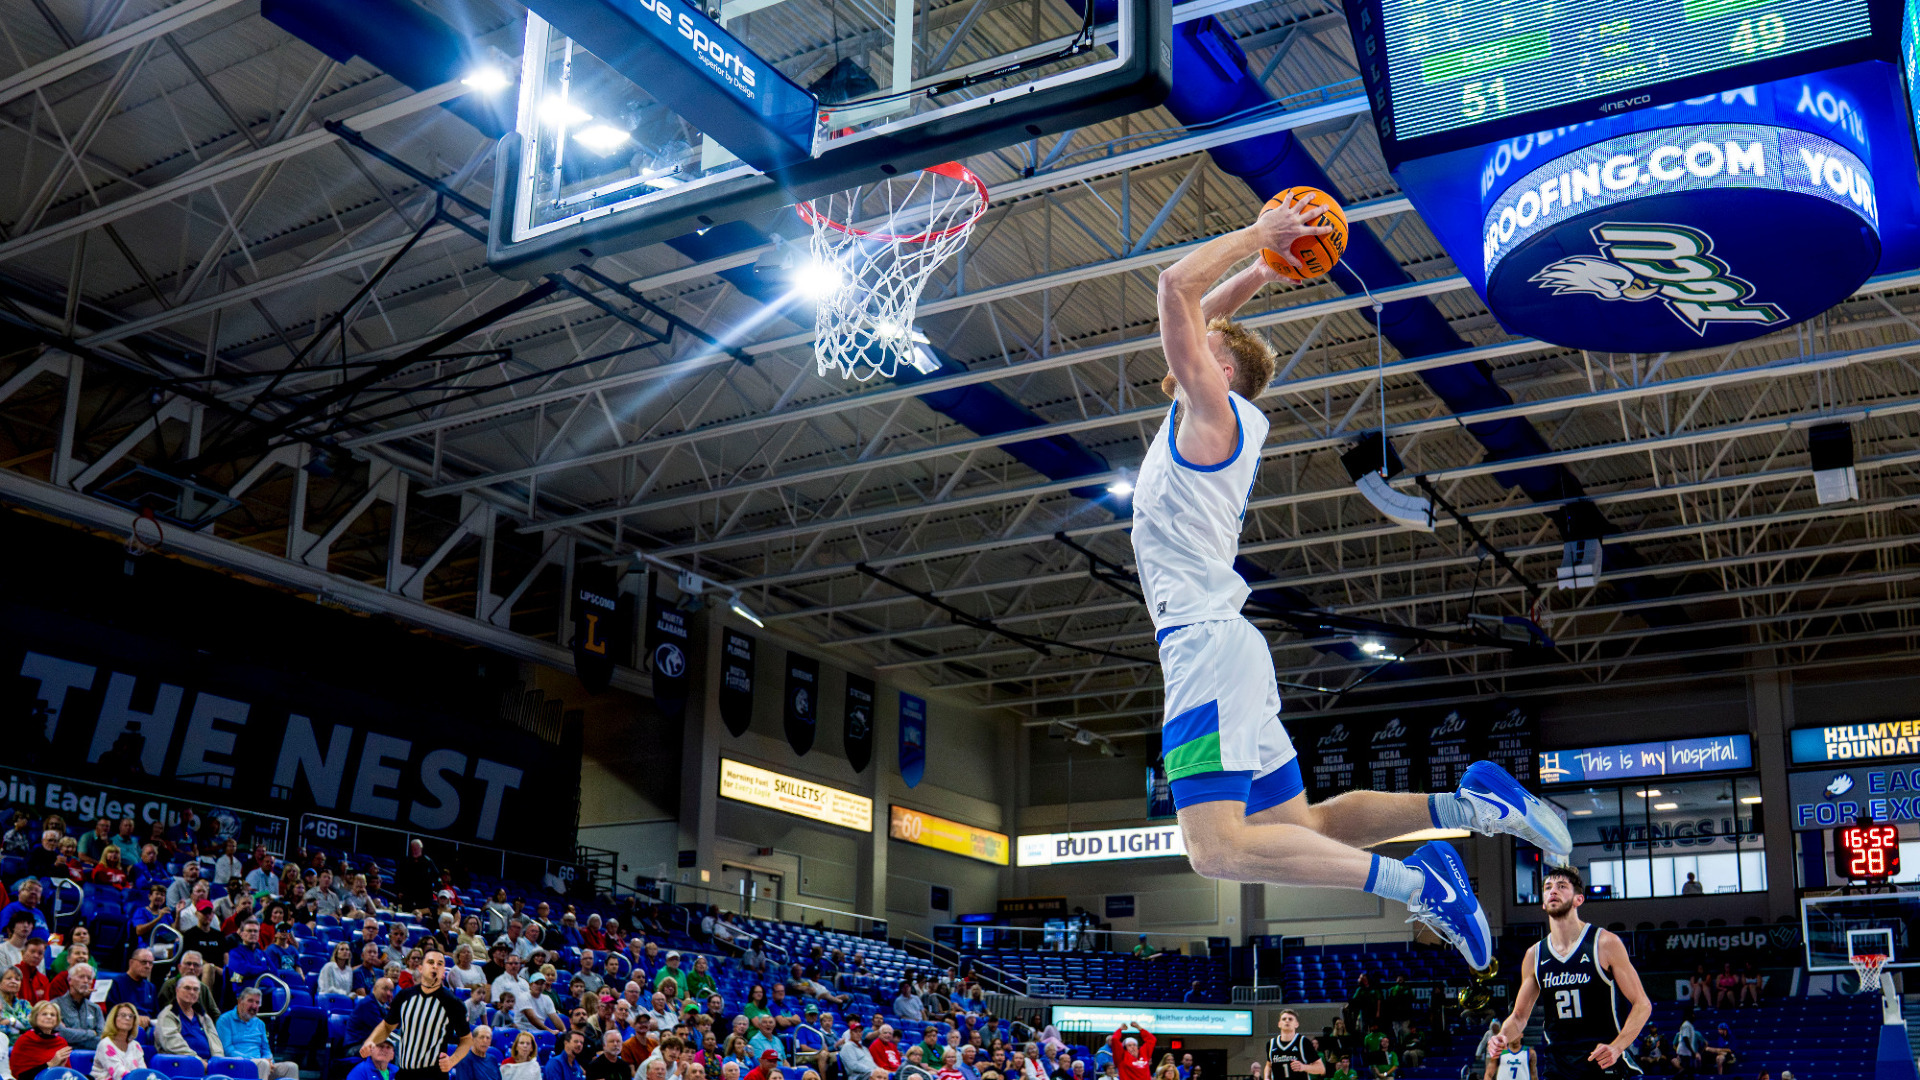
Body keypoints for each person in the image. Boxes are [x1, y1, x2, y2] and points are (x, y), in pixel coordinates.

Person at [1134, 198, 1575, 969]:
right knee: (1306, 827)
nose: (1181, 348)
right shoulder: (1215, 413)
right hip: (1223, 648)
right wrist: (1265, 269)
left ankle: (1419, 886)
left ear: (1222, 370)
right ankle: (1474, 807)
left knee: (1213, 849)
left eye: (1201, 348)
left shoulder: (1213, 414)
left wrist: (1254, 238)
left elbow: (1176, 287)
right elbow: (1203, 309)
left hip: (1204, 647)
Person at [1487, 865, 1652, 1078]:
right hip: (1558, 1066)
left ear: (1578, 899)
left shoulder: (1605, 943)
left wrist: (1617, 1047)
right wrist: (1502, 1035)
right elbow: (1519, 1016)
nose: (1553, 891)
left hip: (1602, 1062)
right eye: (1548, 887)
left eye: (1562, 886)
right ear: (1544, 903)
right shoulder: (1534, 955)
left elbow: (1642, 1004)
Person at [362, 948, 473, 1080]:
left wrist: (452, 1061)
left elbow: (466, 1040)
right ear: (420, 968)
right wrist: (371, 1041)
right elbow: (387, 1026)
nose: (435, 966)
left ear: (444, 972)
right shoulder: (404, 996)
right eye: (430, 962)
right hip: (404, 1073)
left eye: (440, 964)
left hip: (433, 1075)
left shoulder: (453, 1003)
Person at [218, 986, 300, 1080]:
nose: (254, 1006)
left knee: (291, 1067)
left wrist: (269, 1060)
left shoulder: (260, 1023)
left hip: (261, 1064)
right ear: (240, 1001)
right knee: (263, 1064)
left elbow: (266, 1049)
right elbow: (227, 1050)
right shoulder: (225, 1020)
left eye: (257, 1002)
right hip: (236, 1065)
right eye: (250, 1001)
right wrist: (253, 1060)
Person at [155, 974, 224, 1065]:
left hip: (209, 1066)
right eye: (187, 988)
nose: (192, 992)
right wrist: (198, 1062)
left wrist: (217, 1062)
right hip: (181, 1065)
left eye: (195, 989)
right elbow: (173, 1045)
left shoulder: (204, 1017)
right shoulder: (167, 1015)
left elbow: (216, 1044)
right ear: (177, 990)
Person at [10, 1002, 69, 1080]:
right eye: (44, 1014)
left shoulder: (61, 1042)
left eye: (53, 1015)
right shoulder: (25, 1040)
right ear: (35, 1017)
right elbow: (20, 1076)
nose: (49, 1017)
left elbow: (68, 1072)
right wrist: (51, 1064)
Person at [103, 948, 158, 1026]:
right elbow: (113, 1012)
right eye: (144, 962)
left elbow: (156, 1014)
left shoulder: (151, 987)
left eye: (150, 963)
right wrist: (135, 1018)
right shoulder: (117, 983)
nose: (147, 966)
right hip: (126, 1025)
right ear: (131, 962)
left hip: (149, 1027)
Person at [92, 1003, 147, 1080]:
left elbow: (143, 1072)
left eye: (131, 1016)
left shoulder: (135, 1046)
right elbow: (118, 1074)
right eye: (123, 1015)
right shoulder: (105, 1044)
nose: (127, 1018)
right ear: (114, 1019)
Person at [53, 963, 101, 1050]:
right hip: (64, 1056)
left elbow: (102, 1040)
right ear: (70, 980)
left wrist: (73, 1037)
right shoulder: (55, 1006)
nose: (86, 981)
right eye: (81, 977)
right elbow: (61, 1034)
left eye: (89, 978)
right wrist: (92, 1033)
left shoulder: (95, 1009)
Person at [1268, 1010, 1322, 1076]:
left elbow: (1321, 1068)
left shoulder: (1303, 1042)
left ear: (1296, 1024)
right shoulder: (1271, 1043)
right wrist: (1266, 1077)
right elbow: (1268, 1066)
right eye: (1284, 1019)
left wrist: (1304, 1067)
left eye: (1290, 1019)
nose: (1287, 1021)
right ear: (1279, 1024)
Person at [348, 979, 395, 1048]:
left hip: (369, 1043)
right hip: (356, 1045)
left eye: (391, 990)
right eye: (385, 989)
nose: (388, 993)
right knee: (390, 1050)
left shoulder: (382, 1005)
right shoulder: (367, 1004)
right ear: (374, 989)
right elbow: (383, 1028)